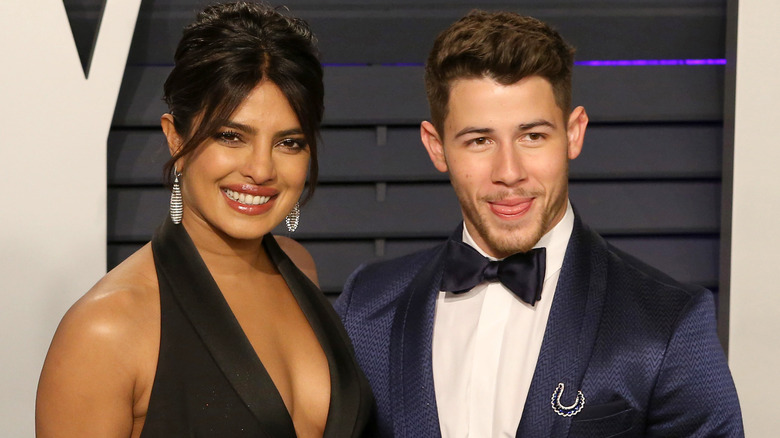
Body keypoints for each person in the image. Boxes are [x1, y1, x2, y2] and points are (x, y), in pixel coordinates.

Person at [335, 10, 743, 438]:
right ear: (437, 148)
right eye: (480, 140)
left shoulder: (668, 324)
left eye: (532, 136)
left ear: (574, 134)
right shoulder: (366, 309)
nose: (509, 172)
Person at [36, 2, 374, 436]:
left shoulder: (299, 268)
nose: (261, 169)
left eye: (288, 142)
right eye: (231, 136)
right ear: (175, 136)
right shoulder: (106, 330)